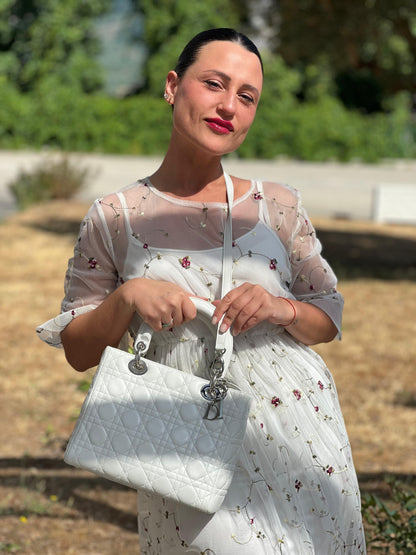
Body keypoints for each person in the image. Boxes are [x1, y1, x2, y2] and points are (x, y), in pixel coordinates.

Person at [37, 28, 366, 554]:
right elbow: (78, 350)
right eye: (214, 84)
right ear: (172, 86)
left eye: (246, 96)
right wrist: (127, 297)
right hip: (183, 445)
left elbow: (327, 316)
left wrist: (279, 308)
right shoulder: (114, 216)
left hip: (299, 435)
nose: (229, 106)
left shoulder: (278, 206)